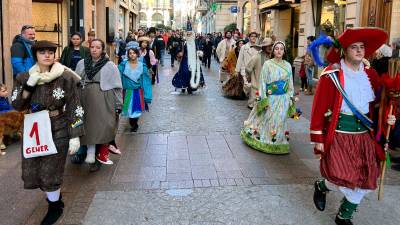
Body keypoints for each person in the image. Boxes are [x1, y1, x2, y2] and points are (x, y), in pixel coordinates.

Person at [309, 28, 395, 225]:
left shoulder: (371, 75)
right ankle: (322, 185)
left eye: (362, 47)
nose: (359, 51)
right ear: (344, 51)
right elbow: (318, 110)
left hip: (365, 136)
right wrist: (318, 140)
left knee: (367, 178)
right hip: (339, 134)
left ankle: (344, 215)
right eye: (354, 47)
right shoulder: (331, 75)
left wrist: (388, 118)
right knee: (342, 176)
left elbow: (378, 105)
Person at [11, 40, 83, 225]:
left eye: (50, 52)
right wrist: (29, 86)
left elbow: (76, 106)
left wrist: (75, 134)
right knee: (36, 169)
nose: (47, 55)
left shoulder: (66, 77)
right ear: (35, 55)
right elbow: (17, 105)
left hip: (58, 126)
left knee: (52, 170)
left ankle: (54, 207)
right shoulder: (23, 77)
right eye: (42, 52)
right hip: (34, 128)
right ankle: (54, 200)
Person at [75, 39, 123, 168]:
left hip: (103, 98)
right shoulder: (81, 63)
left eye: (98, 47)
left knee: (101, 127)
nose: (94, 50)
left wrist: (118, 105)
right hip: (84, 98)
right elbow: (75, 81)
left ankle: (97, 158)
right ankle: (84, 152)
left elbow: (117, 86)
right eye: (92, 47)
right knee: (85, 126)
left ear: (102, 50)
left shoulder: (110, 65)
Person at [240, 41, 294, 154]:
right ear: (273, 51)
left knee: (280, 121)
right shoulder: (268, 64)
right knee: (269, 120)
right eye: (276, 49)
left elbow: (290, 85)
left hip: (283, 99)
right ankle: (266, 141)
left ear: (284, 52)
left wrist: (290, 99)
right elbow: (263, 82)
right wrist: (264, 98)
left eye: (281, 49)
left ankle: (278, 143)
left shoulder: (288, 65)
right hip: (271, 98)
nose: (279, 51)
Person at [118, 43, 152, 132]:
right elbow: (117, 76)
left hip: (138, 92)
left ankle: (134, 124)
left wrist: (147, 95)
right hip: (127, 91)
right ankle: (132, 123)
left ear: (137, 54)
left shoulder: (142, 65)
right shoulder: (123, 65)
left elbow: (146, 81)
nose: (132, 54)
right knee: (129, 111)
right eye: (130, 53)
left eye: (134, 53)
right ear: (128, 54)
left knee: (136, 111)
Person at [245, 37, 273, 109]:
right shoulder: (256, 57)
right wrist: (249, 79)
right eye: (268, 46)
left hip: (267, 88)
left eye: (271, 46)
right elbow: (248, 69)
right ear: (264, 47)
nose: (270, 48)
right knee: (254, 108)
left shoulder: (270, 58)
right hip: (256, 88)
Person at [0, 84, 24, 154]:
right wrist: (12, 112)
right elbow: (5, 109)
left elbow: (9, 107)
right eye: (4, 91)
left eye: (6, 90)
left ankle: (10, 136)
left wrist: (14, 111)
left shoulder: (5, 99)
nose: (6, 92)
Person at [236, 32, 259, 98]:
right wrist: (237, 70)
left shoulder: (258, 48)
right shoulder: (244, 47)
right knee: (247, 85)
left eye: (255, 36)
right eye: (252, 36)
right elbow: (240, 59)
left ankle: (252, 100)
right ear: (249, 38)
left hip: (255, 71)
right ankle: (247, 94)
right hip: (245, 70)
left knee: (254, 86)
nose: (254, 37)